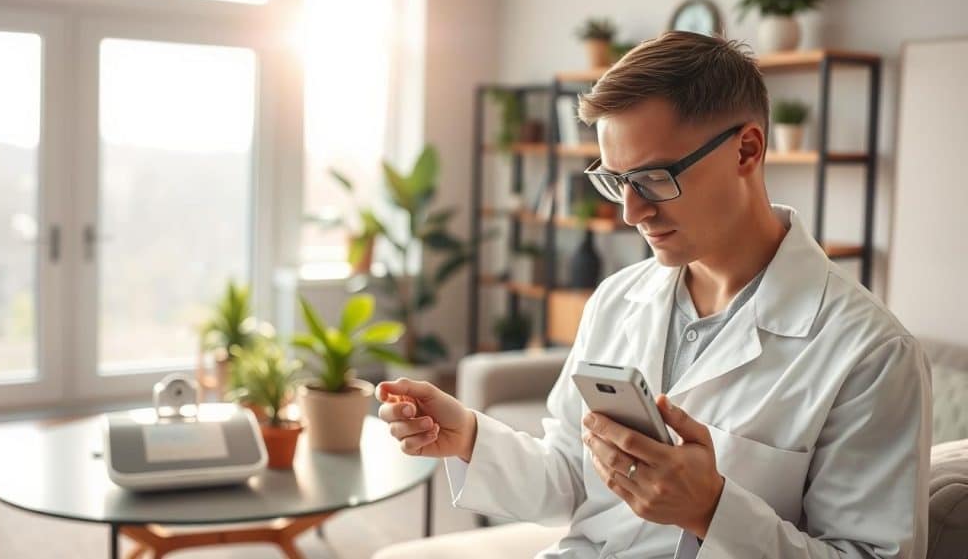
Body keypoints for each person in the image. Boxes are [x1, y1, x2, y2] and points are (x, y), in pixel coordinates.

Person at [376, 31, 931, 559]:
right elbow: (571, 477)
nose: (630, 212)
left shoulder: (871, 354)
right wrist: (468, 436)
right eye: (617, 181)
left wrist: (712, 510)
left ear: (747, 150)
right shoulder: (618, 299)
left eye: (654, 178)